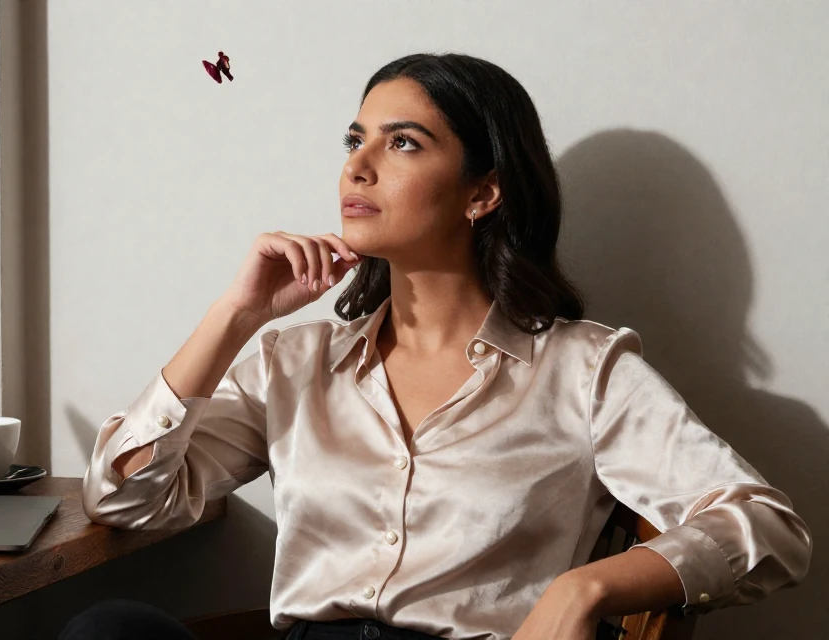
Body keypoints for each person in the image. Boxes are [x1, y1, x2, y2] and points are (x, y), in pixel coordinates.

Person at [61, 53, 812, 640]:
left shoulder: (583, 370)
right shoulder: (295, 362)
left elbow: (767, 526)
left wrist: (585, 588)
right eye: (355, 139)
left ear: (483, 193)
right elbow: (124, 499)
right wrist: (235, 314)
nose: (358, 165)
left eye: (403, 143)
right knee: (111, 633)